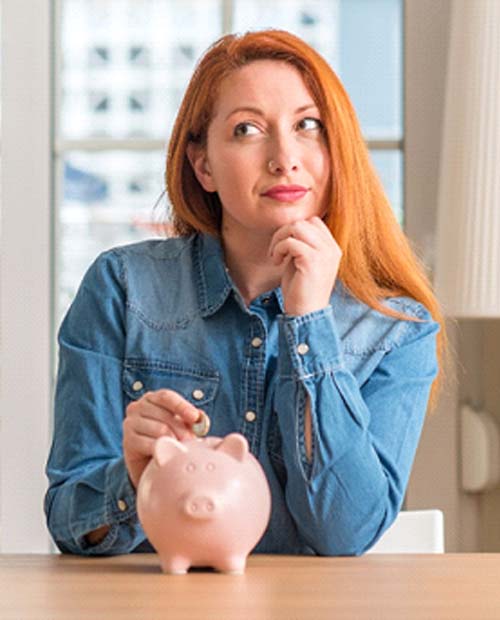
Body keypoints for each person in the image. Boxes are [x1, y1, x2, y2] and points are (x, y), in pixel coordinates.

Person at [44, 29, 445, 557]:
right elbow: (70, 521)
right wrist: (132, 480)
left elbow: (345, 534)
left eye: (308, 126)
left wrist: (309, 323)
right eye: (248, 129)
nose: (285, 158)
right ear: (203, 165)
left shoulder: (395, 328)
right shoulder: (121, 288)